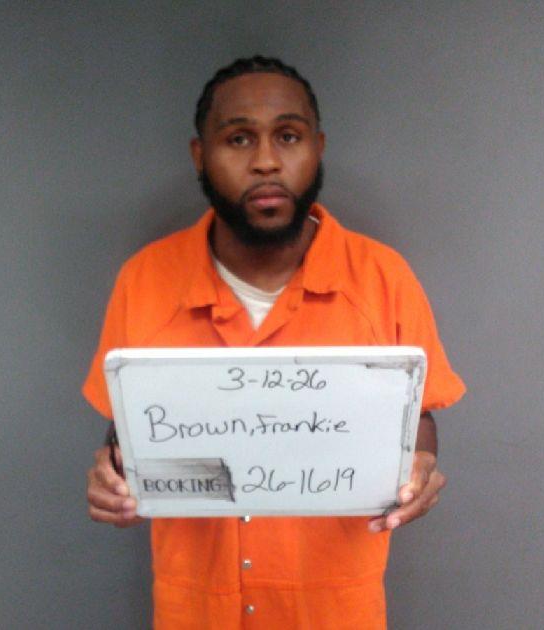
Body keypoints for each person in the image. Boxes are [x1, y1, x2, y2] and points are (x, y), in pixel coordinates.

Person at [84, 56, 465, 629]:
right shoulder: (144, 279)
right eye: (239, 139)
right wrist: (114, 473)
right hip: (195, 613)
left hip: (333, 613)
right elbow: (129, 427)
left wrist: (420, 464)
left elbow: (419, 416)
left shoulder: (383, 278)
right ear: (200, 155)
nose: (265, 160)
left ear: (318, 147)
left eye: (288, 136)